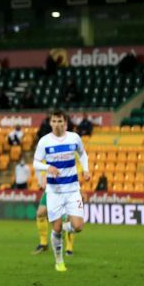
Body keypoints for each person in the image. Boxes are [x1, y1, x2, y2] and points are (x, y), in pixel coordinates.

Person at [32, 110, 90, 272]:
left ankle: (64, 228)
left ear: (65, 123)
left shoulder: (74, 138)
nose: (57, 124)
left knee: (78, 226)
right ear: (50, 123)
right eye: (54, 121)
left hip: (72, 190)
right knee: (56, 229)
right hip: (54, 192)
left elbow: (82, 154)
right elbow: (36, 163)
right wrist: (47, 167)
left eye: (60, 121)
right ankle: (59, 261)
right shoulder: (44, 141)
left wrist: (86, 170)